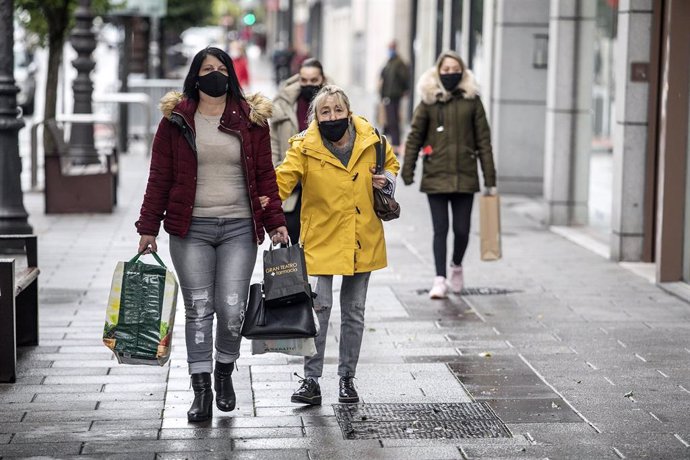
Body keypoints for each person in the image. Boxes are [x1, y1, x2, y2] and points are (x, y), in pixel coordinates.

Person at [135, 47, 289, 423]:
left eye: (221, 69)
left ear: (230, 75)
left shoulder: (251, 119)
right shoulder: (176, 120)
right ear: (195, 75)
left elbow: (266, 176)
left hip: (239, 225)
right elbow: (160, 177)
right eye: (207, 69)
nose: (215, 74)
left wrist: (276, 223)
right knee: (200, 309)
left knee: (233, 308)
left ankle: (224, 372)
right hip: (191, 229)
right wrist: (147, 228)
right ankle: (201, 388)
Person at [266, 85, 399, 405]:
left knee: (354, 312)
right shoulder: (304, 146)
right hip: (321, 238)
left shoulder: (373, 140)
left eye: (338, 110)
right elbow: (282, 181)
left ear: (348, 112)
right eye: (325, 112)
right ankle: (310, 380)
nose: (332, 116)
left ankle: (347, 379)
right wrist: (267, 215)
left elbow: (391, 167)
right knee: (319, 309)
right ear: (315, 116)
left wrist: (385, 179)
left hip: (360, 237)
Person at [401, 50, 496, 299]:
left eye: (455, 70)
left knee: (463, 230)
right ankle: (439, 278)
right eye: (446, 70)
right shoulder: (429, 102)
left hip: (465, 176)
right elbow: (414, 138)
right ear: (438, 72)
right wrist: (407, 170)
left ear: (462, 72)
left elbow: (484, 141)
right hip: (436, 175)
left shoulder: (472, 101)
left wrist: (490, 178)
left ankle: (456, 265)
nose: (450, 74)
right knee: (440, 229)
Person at [269, 58, 329, 244]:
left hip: (324, 191)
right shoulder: (284, 106)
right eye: (304, 80)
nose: (308, 85)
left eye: (313, 81)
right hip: (291, 192)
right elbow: (274, 147)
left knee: (323, 254)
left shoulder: (334, 107)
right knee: (290, 256)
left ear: (322, 79)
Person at [379, 40, 409, 156]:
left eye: (391, 47)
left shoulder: (399, 63)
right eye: (389, 47)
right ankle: (386, 145)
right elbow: (383, 76)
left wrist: (403, 91)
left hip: (394, 96)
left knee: (393, 122)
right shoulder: (389, 62)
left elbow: (404, 78)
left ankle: (396, 147)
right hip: (386, 96)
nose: (390, 50)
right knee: (387, 122)